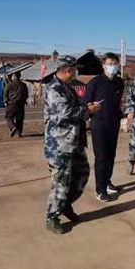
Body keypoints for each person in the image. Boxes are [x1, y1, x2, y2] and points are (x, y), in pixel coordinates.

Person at [44, 55, 101, 234]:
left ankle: (65, 204)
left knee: (81, 174)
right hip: (60, 145)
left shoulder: (66, 87)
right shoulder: (53, 88)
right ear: (68, 70)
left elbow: (77, 104)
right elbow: (66, 112)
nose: (76, 72)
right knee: (61, 181)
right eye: (75, 69)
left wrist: (87, 105)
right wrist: (87, 110)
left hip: (74, 141)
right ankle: (52, 217)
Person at [84, 53, 125, 202]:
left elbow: (118, 102)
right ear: (103, 65)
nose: (113, 66)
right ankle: (100, 190)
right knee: (101, 157)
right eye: (110, 64)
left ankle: (107, 182)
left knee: (111, 155)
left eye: (115, 64)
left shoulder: (119, 82)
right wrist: (90, 108)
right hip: (99, 124)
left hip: (113, 123)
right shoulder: (94, 83)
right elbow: (86, 104)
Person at [3, 72, 29, 137]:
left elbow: (5, 93)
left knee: (9, 116)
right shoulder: (24, 85)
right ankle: (18, 133)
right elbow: (26, 94)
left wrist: (5, 101)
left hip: (11, 104)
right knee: (19, 119)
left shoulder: (9, 85)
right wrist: (24, 100)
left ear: (14, 76)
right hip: (21, 105)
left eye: (12, 76)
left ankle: (13, 127)